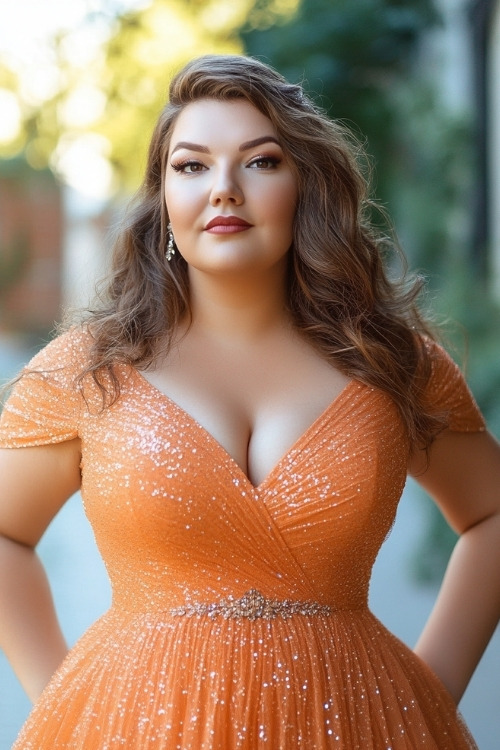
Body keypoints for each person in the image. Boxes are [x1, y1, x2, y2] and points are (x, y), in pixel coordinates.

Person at [0, 54, 499, 750]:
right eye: (192, 165)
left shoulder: (391, 362)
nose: (224, 189)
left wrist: (428, 692)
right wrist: (67, 703)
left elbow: (491, 514)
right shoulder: (89, 370)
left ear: (306, 187)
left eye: (261, 163)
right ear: (163, 197)